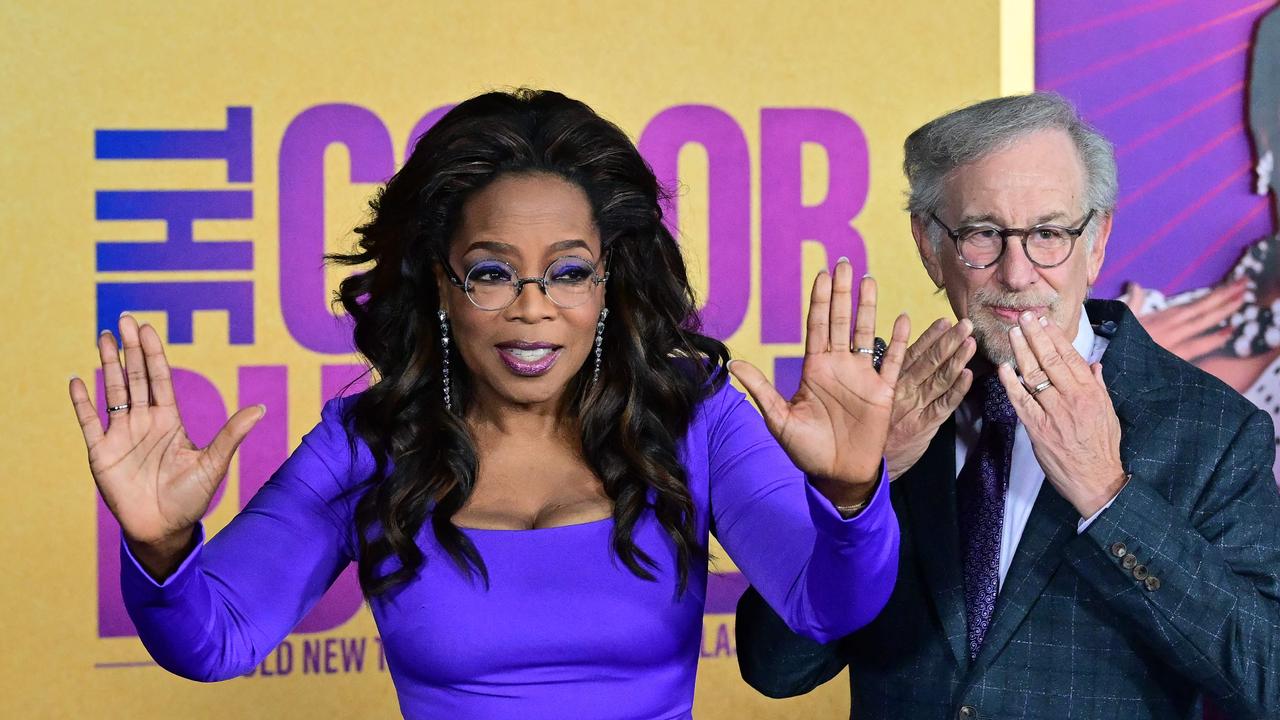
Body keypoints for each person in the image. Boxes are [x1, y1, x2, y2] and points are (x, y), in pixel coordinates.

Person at [67, 89, 908, 720]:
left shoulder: (695, 419)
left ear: (610, 281)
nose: (534, 307)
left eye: (570, 271)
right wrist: (160, 542)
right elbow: (213, 643)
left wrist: (846, 496)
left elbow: (829, 606)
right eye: (494, 271)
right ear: (442, 282)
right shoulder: (367, 446)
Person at [735, 92, 1280, 719]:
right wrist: (856, 493)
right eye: (984, 235)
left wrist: (1110, 496)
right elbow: (774, 670)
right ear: (929, 245)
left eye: (1049, 233)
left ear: (1096, 241)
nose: (1017, 274)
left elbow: (1267, 681)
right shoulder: (881, 408)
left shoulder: (1212, 428)